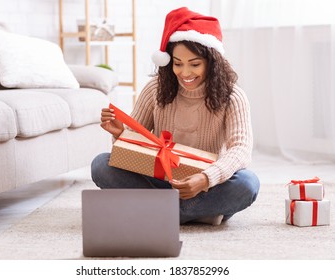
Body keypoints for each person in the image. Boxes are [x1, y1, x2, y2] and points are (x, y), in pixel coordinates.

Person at [91, 7, 260, 225]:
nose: (185, 73)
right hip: (158, 180)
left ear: (212, 62)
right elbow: (133, 147)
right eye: (178, 64)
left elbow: (240, 150)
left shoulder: (233, 96)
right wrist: (121, 134)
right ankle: (197, 214)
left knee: (247, 183)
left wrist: (205, 179)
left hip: (202, 185)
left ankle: (154, 211)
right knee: (101, 164)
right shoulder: (156, 88)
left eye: (195, 64)